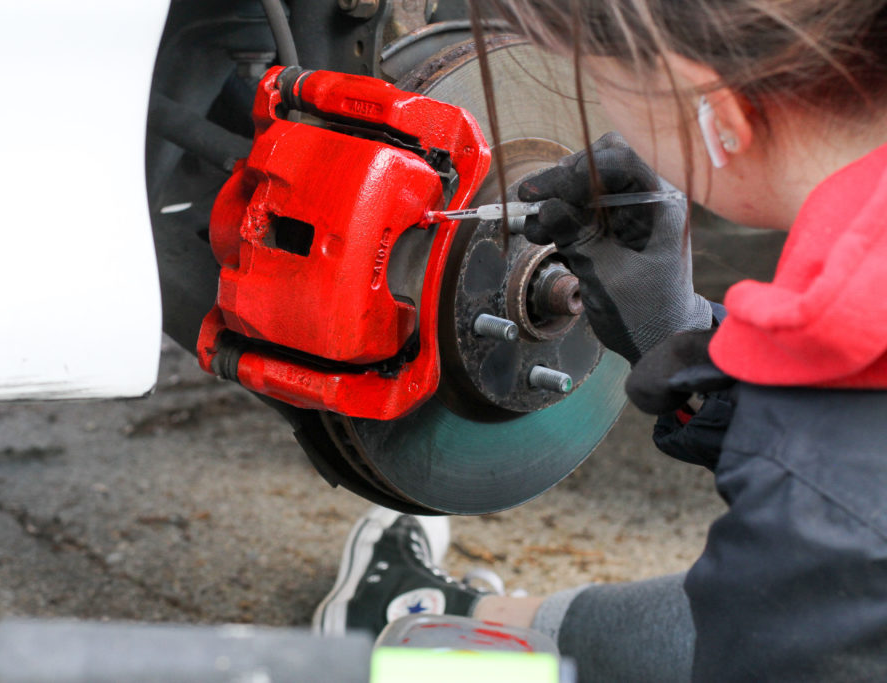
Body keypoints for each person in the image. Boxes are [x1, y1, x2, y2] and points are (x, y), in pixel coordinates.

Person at [313, 1, 887, 681]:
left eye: (605, 91)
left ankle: (445, 646)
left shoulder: (829, 531)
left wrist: (790, 474)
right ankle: (461, 614)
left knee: (785, 602)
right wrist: (686, 340)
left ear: (720, 121)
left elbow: (836, 519)